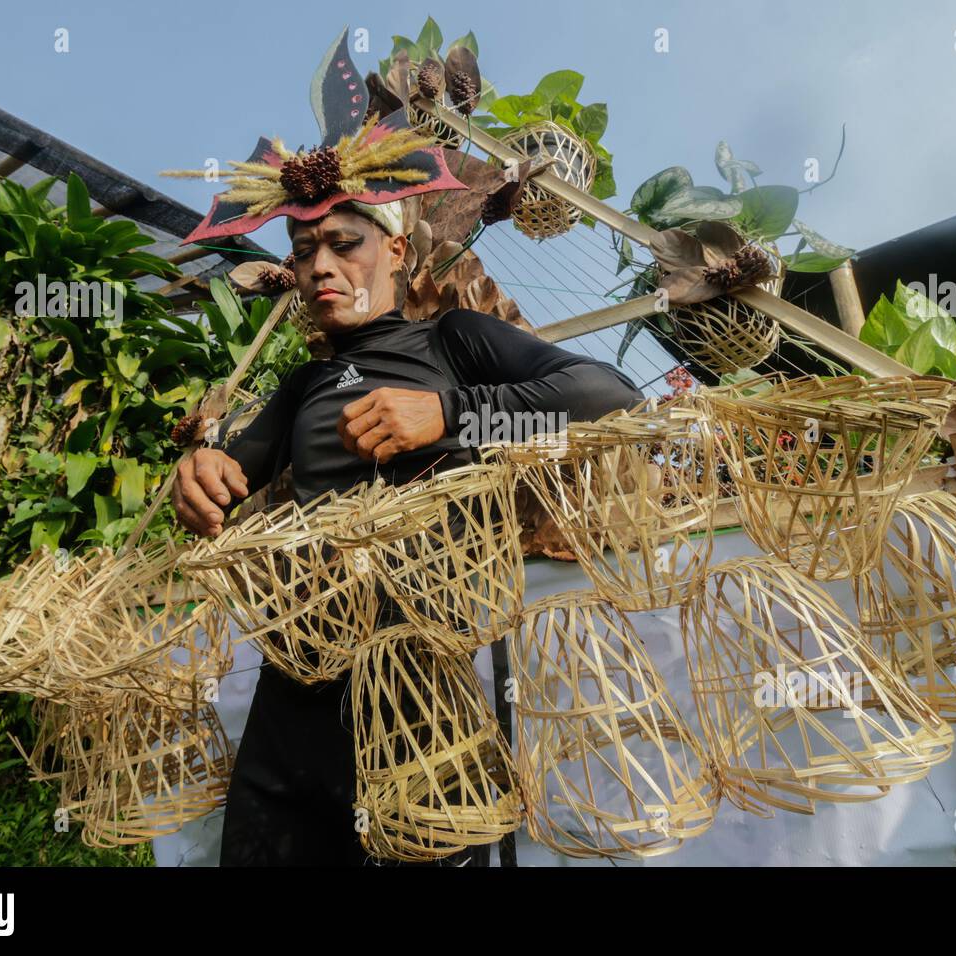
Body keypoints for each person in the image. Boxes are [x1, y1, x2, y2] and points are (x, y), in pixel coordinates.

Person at [162, 34, 643, 865]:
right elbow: (231, 481)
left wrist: (451, 415)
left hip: (424, 696)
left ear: (393, 248)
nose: (320, 266)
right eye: (304, 249)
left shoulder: (453, 343)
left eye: (342, 242)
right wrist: (202, 473)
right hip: (298, 700)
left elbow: (609, 397)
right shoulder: (301, 388)